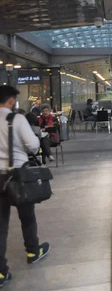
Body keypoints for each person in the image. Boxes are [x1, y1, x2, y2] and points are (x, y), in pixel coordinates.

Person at [0, 86, 50, 287]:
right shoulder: (16, 119)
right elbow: (33, 146)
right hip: (17, 177)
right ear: (11, 100)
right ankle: (32, 251)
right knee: (27, 218)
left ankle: (1, 273)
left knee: (1, 226)